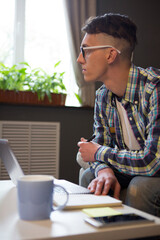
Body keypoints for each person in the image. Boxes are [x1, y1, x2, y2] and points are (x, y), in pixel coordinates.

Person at [77, 13, 160, 217]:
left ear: (110, 55)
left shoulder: (154, 88)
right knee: (91, 176)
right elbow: (99, 143)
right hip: (133, 167)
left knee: (140, 188)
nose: (79, 59)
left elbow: (153, 162)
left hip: (153, 170)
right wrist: (103, 170)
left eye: (85, 50)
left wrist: (98, 153)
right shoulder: (103, 96)